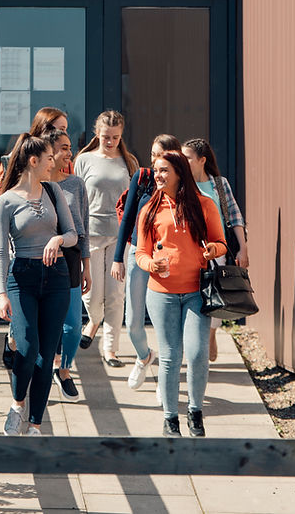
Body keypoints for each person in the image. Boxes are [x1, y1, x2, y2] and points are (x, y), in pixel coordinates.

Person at [135, 151, 227, 437]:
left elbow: (221, 242)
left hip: (195, 291)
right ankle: (170, 418)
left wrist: (213, 249)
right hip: (161, 293)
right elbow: (141, 252)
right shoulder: (149, 209)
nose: (158, 176)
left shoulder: (204, 205)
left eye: (163, 170)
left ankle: (195, 412)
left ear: (179, 173)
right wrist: (151, 263)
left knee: (198, 353)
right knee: (171, 356)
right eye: (156, 170)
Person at [0, 134, 77, 435]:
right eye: (49, 159)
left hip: (56, 277)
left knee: (46, 355)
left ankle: (35, 425)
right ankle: (17, 405)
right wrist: (2, 294)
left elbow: (72, 234)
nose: (53, 163)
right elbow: (1, 251)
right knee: (27, 347)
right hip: (22, 278)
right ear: (33, 161)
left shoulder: (54, 191)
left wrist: (58, 239)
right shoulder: (5, 201)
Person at [0, 107, 69, 370]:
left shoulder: (61, 158)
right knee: (25, 328)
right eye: (56, 128)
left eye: (65, 129)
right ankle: (17, 343)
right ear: (42, 129)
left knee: (49, 327)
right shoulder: (21, 156)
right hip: (19, 247)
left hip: (52, 248)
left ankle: (51, 365)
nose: (62, 134)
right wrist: (23, 201)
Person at [111, 134, 183, 389]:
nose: (154, 161)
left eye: (160, 155)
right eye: (152, 154)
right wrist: (118, 258)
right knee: (132, 323)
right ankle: (144, 357)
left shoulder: (183, 187)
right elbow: (127, 219)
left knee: (167, 326)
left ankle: (166, 387)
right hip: (138, 256)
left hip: (168, 259)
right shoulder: (142, 178)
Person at [73, 110, 138, 367]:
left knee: (115, 294)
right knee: (91, 294)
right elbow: (75, 197)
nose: (110, 141)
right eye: (105, 137)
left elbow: (134, 198)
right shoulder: (84, 160)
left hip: (119, 235)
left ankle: (111, 350)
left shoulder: (128, 161)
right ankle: (94, 320)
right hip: (89, 234)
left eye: (115, 137)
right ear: (96, 134)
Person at [182, 138, 249, 363]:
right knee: (191, 298)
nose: (183, 161)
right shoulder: (181, 184)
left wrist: (243, 248)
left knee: (216, 296)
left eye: (188, 158)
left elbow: (234, 215)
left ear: (202, 160)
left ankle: (211, 333)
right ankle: (193, 345)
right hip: (188, 252)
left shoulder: (219, 184)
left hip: (216, 249)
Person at [43, 128, 92, 401]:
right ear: (49, 153)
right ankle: (44, 370)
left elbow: (83, 228)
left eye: (70, 147)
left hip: (71, 260)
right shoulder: (31, 186)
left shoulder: (76, 184)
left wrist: (87, 266)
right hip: (39, 259)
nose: (69, 153)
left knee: (73, 326)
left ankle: (64, 369)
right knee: (43, 324)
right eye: (64, 147)